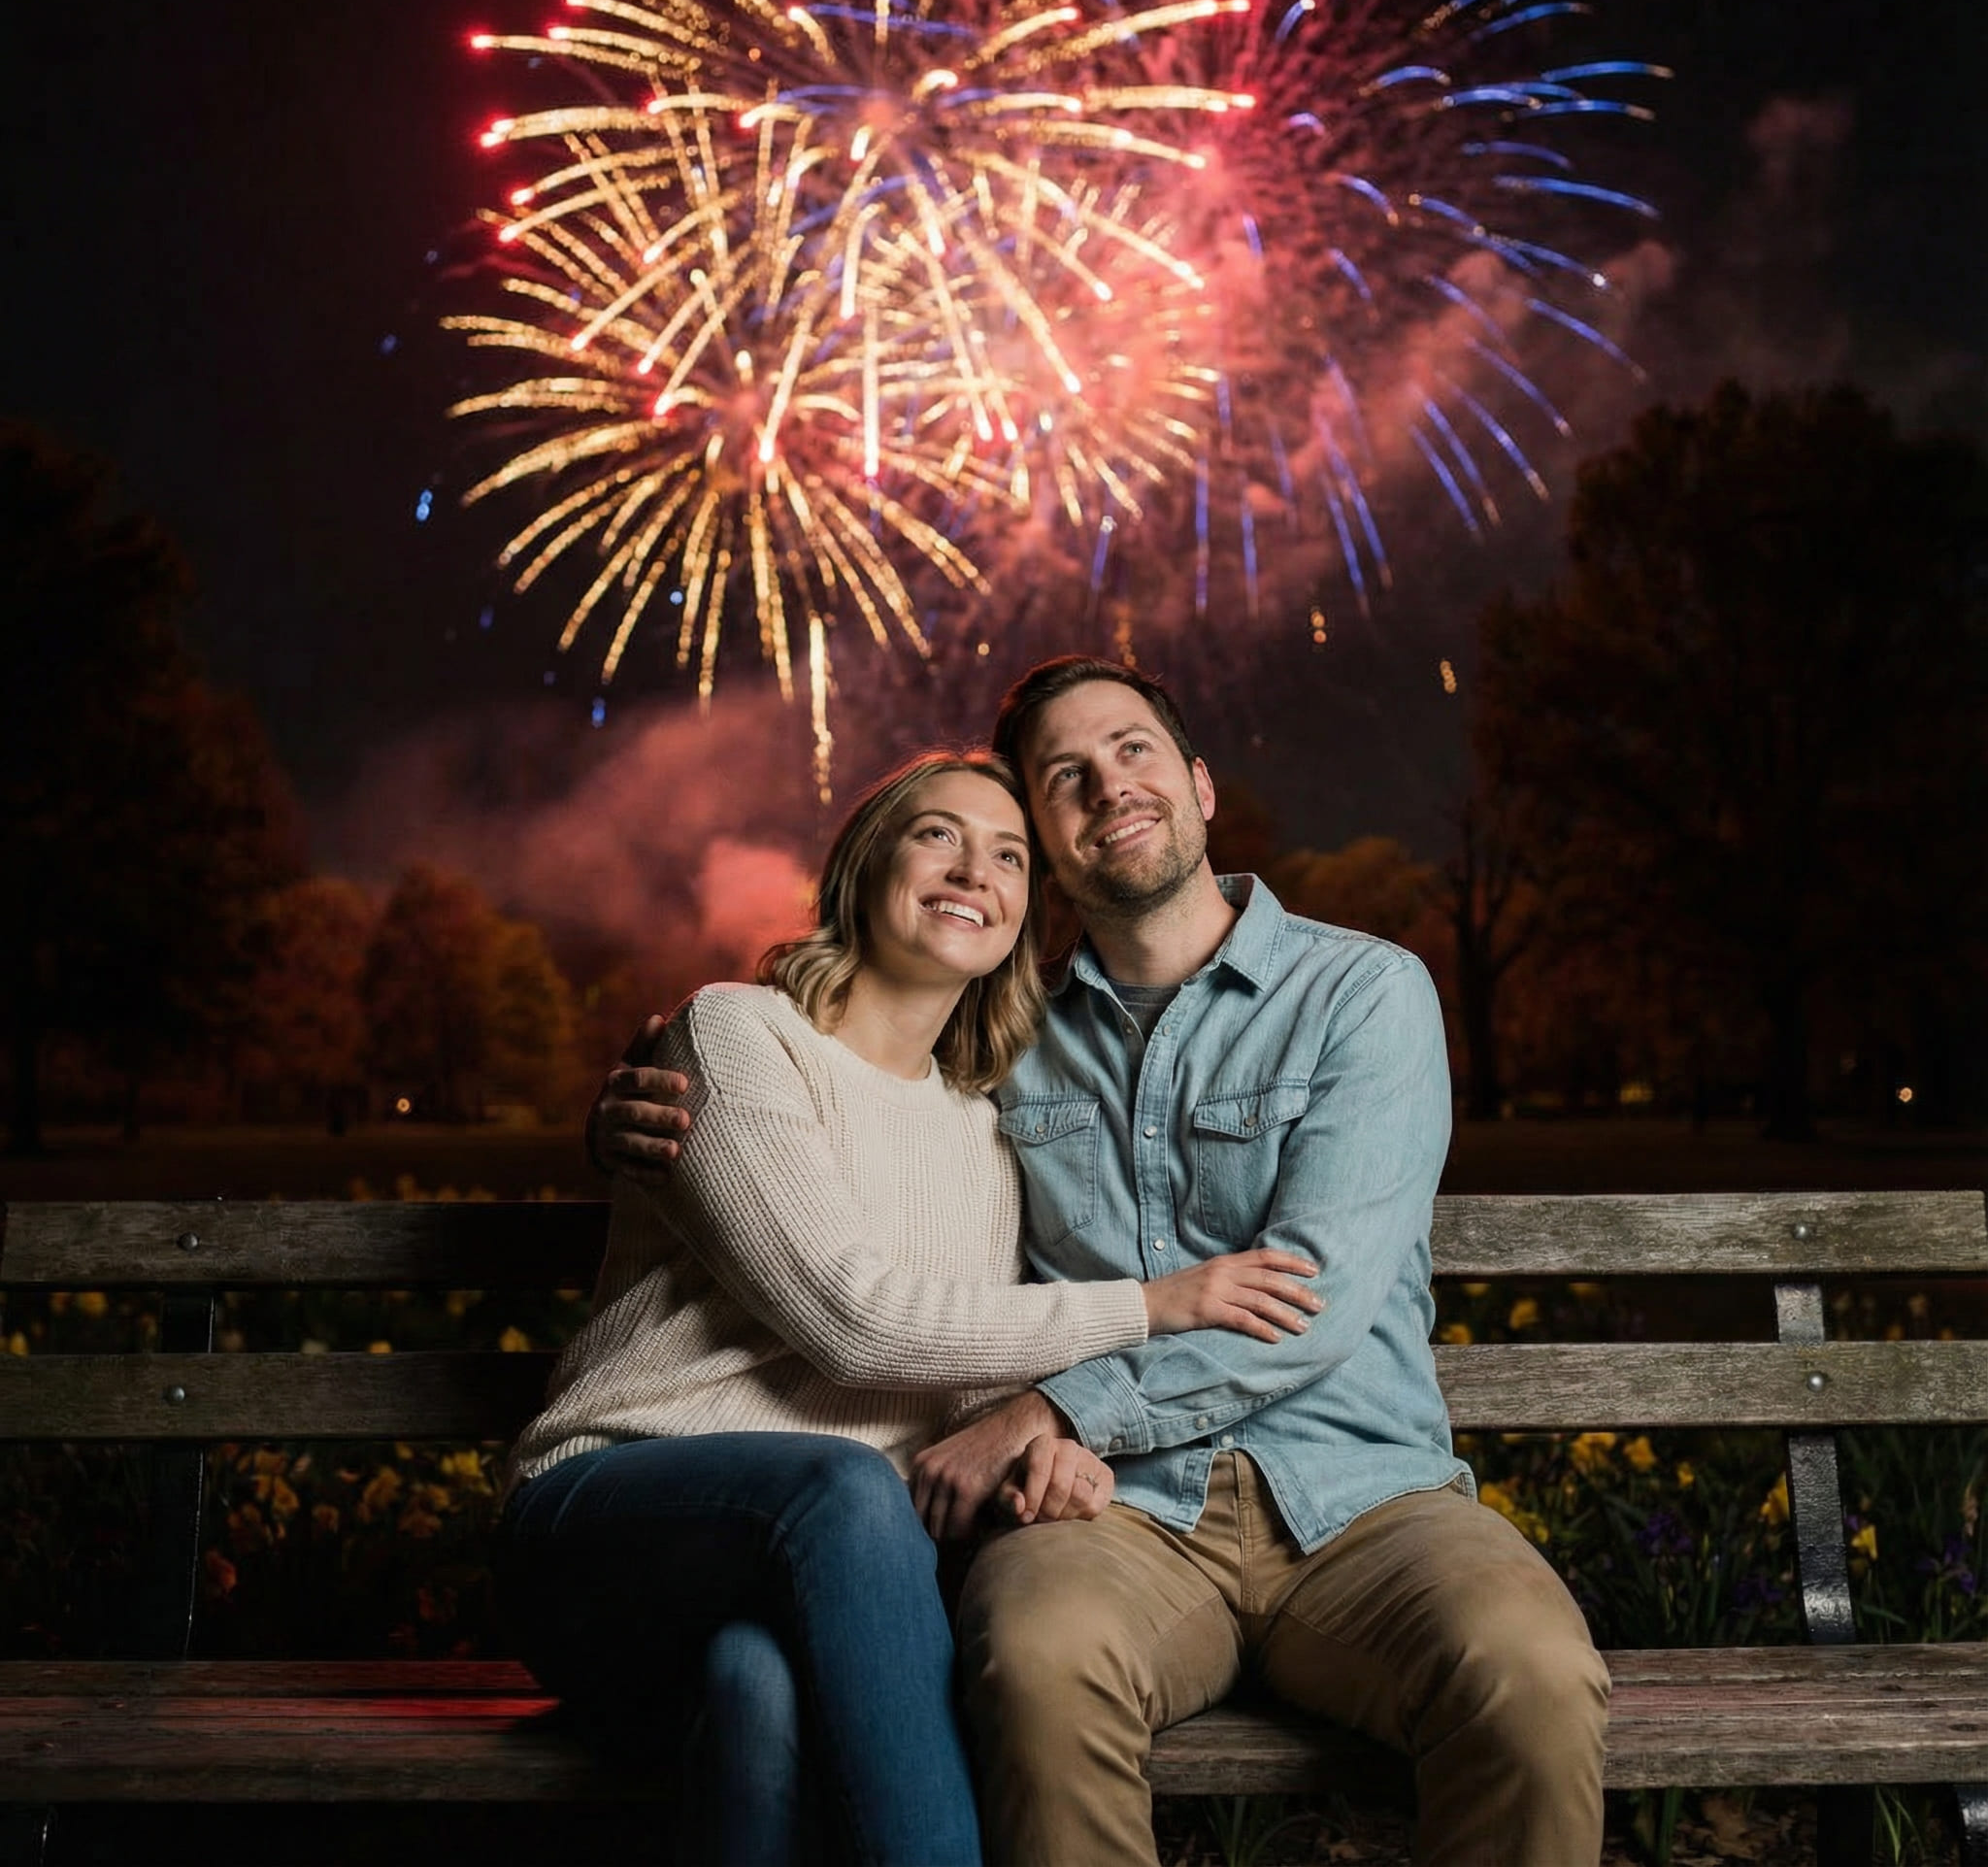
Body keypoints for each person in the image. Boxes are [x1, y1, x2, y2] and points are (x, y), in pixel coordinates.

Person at [596, 660, 1611, 1867]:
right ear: (1048, 847)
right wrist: (644, 1100)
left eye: (1132, 751)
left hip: (1361, 1498)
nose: (1107, 786)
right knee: (1034, 1659)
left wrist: (1051, 1405)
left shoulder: (1361, 993)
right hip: (1111, 1513)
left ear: (1197, 784)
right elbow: (859, 1133)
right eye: (1063, 777)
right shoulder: (1000, 1038)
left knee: (1533, 1673)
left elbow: (1310, 1301)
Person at [501, 747, 1321, 1867]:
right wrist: (1150, 1304)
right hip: (607, 1536)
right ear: (863, 863)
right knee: (838, 1489)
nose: (972, 870)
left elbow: (963, 1370)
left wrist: (1054, 1428)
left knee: (758, 1689)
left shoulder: (986, 1133)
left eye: (1009, 855)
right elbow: (858, 1323)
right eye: (938, 833)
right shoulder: (739, 1037)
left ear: (1031, 912)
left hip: (801, 1577)